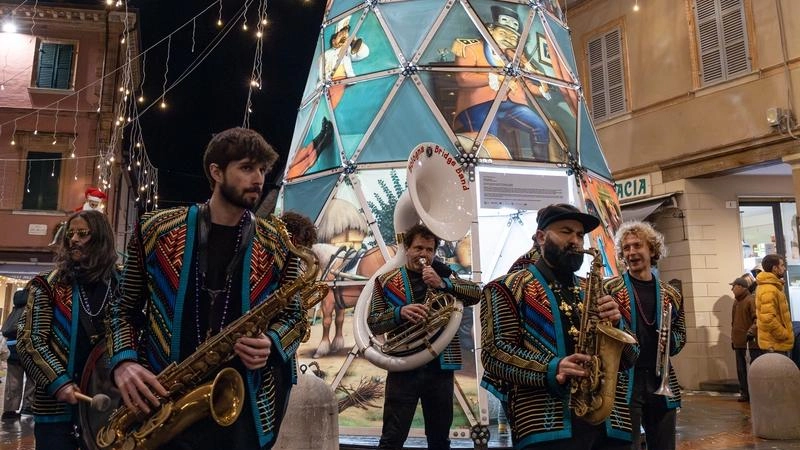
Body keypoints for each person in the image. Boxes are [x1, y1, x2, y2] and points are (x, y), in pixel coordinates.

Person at [107, 127, 307, 450]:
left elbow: (296, 316)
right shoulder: (155, 229)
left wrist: (271, 343)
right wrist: (124, 362)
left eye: (262, 169)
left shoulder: (280, 243)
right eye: (246, 167)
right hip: (161, 401)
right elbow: (122, 309)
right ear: (216, 171)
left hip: (243, 408)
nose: (258, 178)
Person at [481, 203, 638, 450]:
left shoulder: (597, 289)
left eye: (580, 234)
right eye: (566, 231)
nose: (576, 241)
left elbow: (631, 357)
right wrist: (553, 368)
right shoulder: (505, 288)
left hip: (607, 422)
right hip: (546, 425)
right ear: (541, 237)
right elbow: (494, 355)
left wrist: (619, 323)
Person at [368, 223, 481, 450]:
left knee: (440, 440)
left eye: (429, 250)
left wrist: (443, 283)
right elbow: (374, 322)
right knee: (392, 438)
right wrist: (400, 313)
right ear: (407, 249)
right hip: (403, 366)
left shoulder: (444, 274)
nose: (424, 255)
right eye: (419, 248)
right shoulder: (386, 281)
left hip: (440, 368)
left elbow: (476, 294)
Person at [17, 210, 119, 450]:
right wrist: (59, 382)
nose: (73, 239)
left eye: (82, 233)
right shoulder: (47, 284)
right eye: (70, 233)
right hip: (56, 413)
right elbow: (30, 341)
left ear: (101, 238)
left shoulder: (121, 284)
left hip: (111, 409)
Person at [605, 220, 685, 450]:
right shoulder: (610, 289)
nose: (631, 253)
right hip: (624, 380)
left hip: (660, 379)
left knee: (665, 444)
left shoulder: (671, 293)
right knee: (625, 445)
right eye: (626, 248)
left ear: (652, 249)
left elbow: (681, 335)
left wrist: (668, 341)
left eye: (637, 246)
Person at [452, 5, 550, 160]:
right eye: (503, 32)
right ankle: (490, 170)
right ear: (490, 30)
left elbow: (525, 84)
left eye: (513, 37)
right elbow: (463, 78)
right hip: (479, 105)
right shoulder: (470, 47)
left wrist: (542, 89)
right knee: (490, 138)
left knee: (540, 126)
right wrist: (495, 78)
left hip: (510, 105)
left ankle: (543, 165)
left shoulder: (514, 57)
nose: (508, 38)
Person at [1, 288, 35, 420]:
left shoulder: (14, 311)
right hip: (28, 348)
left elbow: (5, 330)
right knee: (33, 378)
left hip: (12, 349)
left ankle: (9, 411)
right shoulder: (31, 310)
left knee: (13, 380)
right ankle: (28, 406)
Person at [754, 253, 794, 355]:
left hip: (775, 344)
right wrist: (784, 334)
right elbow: (768, 319)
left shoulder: (773, 286)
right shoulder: (769, 289)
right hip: (774, 345)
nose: (784, 268)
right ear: (775, 268)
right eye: (782, 265)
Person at [729, 276, 758, 402]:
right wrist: (733, 340)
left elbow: (757, 319)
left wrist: (751, 331)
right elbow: (734, 323)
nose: (732, 289)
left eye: (733, 286)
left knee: (751, 370)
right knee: (741, 371)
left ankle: (754, 393)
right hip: (739, 343)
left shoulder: (751, 300)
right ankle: (745, 393)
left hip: (750, 343)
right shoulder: (736, 302)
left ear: (741, 287)